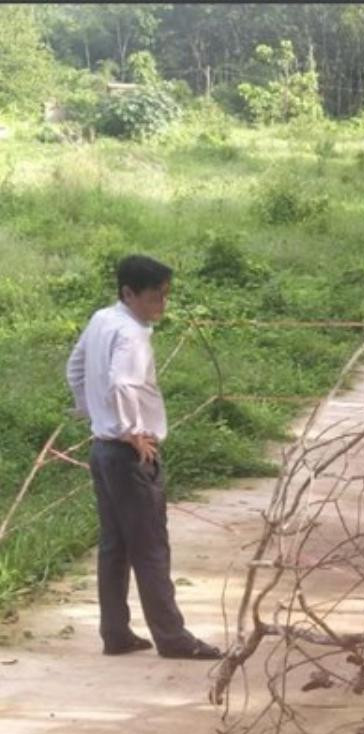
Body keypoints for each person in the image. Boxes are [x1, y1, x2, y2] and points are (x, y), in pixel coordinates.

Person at [66, 255, 222, 659]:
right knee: (150, 545)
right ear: (128, 293)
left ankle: (115, 632)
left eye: (166, 296)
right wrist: (132, 430)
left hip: (102, 448)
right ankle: (172, 637)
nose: (162, 306)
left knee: (114, 544)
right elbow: (121, 382)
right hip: (127, 453)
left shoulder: (102, 319)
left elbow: (75, 368)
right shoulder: (132, 333)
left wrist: (93, 413)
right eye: (155, 297)